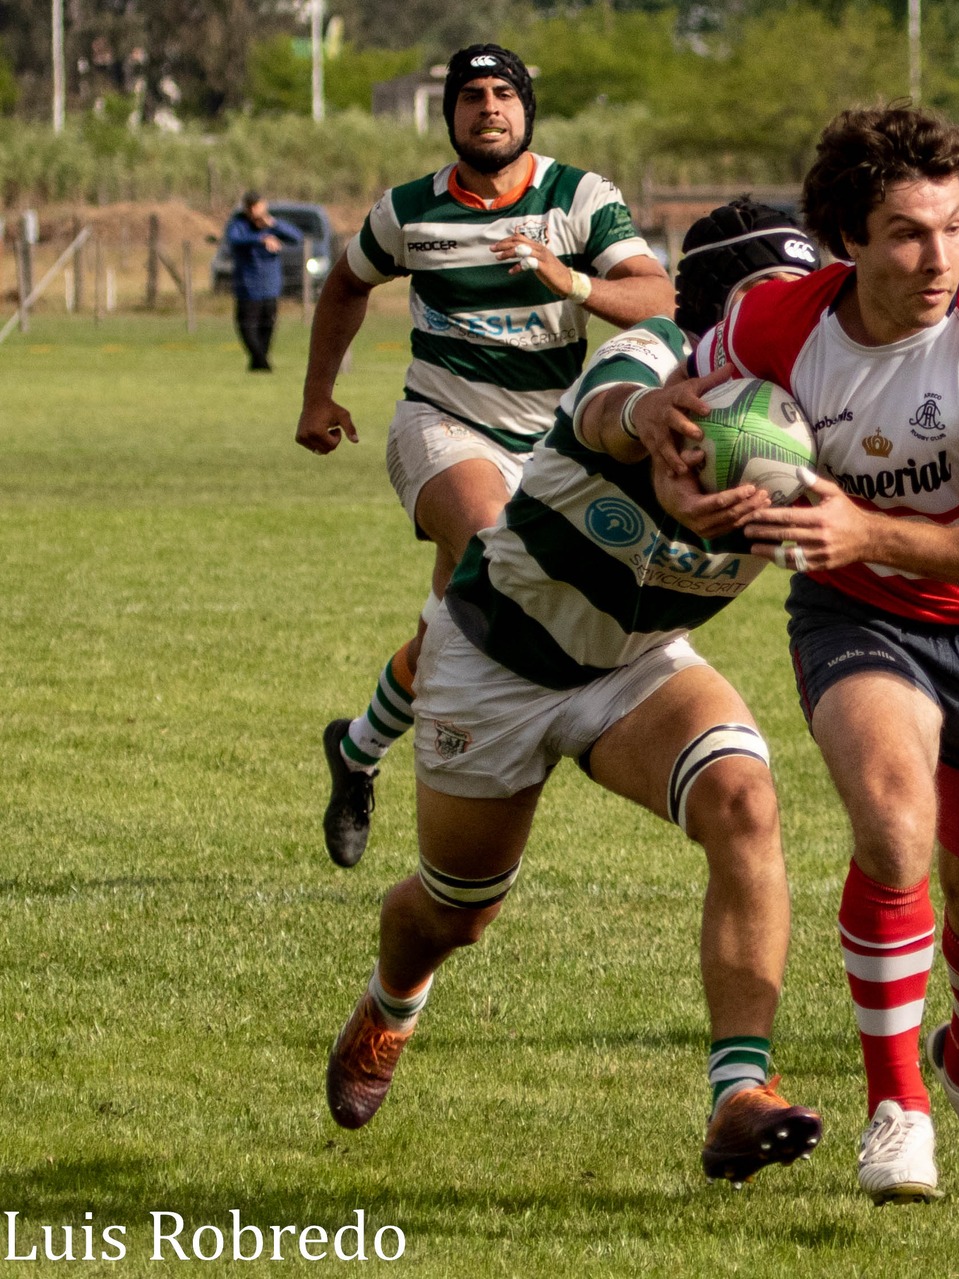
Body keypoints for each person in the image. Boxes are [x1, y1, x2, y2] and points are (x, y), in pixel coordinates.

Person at [322, 312, 823, 1187]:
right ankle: (390, 1003)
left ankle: (740, 1091)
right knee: (454, 914)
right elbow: (605, 408)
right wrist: (647, 420)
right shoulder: (650, 356)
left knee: (743, 798)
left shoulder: (818, 413)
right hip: (496, 666)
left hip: (636, 666)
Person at [689, 105, 959, 1202]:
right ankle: (896, 1103)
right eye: (909, 233)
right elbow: (682, 397)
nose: (939, 257)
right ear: (846, 239)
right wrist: (683, 456)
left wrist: (866, 527)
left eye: (956, 227)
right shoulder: (775, 324)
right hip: (854, 612)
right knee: (896, 826)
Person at [296, 44, 670, 869]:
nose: (489, 107)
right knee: (495, 542)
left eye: (504, 94)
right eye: (472, 96)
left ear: (525, 110)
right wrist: (318, 394)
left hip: (553, 443)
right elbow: (346, 283)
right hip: (441, 423)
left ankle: (358, 748)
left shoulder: (580, 199)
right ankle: (519, 740)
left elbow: (657, 296)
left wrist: (569, 282)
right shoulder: (408, 211)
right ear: (452, 116)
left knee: (454, 622)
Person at [673, 197, 820, 349]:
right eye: (767, 290)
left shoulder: (816, 366)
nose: (788, 310)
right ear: (707, 296)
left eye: (801, 296)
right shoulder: (665, 356)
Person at [222, 191, 302, 373]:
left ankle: (259, 363)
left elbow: (296, 236)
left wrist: (274, 225)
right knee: (247, 326)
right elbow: (234, 239)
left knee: (268, 325)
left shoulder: (271, 225)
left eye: (259, 206)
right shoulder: (239, 223)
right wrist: (260, 239)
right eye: (253, 207)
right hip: (248, 286)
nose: (257, 210)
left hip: (271, 286)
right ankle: (261, 361)